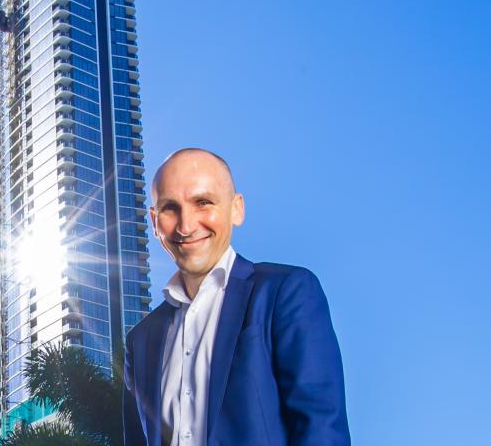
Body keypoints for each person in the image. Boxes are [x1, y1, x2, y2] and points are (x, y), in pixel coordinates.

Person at [122, 147, 349, 446]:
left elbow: (320, 430)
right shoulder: (140, 340)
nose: (186, 225)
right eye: (170, 208)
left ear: (236, 209)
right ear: (154, 222)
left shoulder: (286, 292)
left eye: (203, 202)